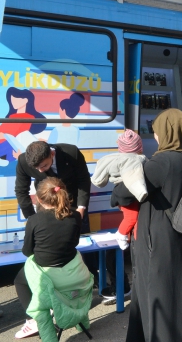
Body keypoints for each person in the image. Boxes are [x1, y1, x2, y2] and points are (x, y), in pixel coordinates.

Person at [111, 109, 182, 341]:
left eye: (156, 132)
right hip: (178, 233)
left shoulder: (164, 160)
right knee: (180, 292)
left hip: (156, 237)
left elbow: (124, 193)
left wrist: (116, 189)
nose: (154, 136)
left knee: (156, 294)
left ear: (168, 132)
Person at [13, 178, 85, 339]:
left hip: (47, 276)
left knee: (19, 281)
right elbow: (75, 242)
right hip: (73, 274)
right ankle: (82, 324)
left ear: (38, 199)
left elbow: (27, 251)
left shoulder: (34, 220)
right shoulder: (75, 216)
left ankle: (33, 321)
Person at [14, 141, 97, 279]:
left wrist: (81, 208)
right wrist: (32, 218)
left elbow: (84, 180)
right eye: (37, 168)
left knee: (82, 240)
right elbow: (21, 190)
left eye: (44, 166)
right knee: (48, 242)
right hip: (46, 203)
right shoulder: (23, 161)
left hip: (72, 201)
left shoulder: (71, 153)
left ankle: (90, 276)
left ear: (52, 154)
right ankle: (50, 278)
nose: (40, 171)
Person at [92, 129, 146, 250]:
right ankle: (121, 235)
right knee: (132, 217)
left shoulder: (115, 159)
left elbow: (99, 179)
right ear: (139, 147)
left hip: (120, 194)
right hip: (128, 195)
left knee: (131, 217)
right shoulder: (136, 161)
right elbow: (135, 180)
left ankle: (125, 234)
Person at [0, 87, 46, 163]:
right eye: (12, 99)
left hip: (10, 146)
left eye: (16, 99)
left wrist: (4, 135)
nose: (13, 101)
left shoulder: (28, 117)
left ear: (26, 100)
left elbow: (15, 134)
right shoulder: (10, 117)